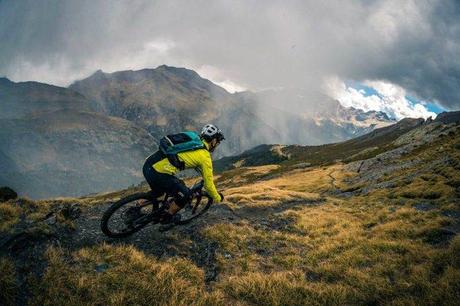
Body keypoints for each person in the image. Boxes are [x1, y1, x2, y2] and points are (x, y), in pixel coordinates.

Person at [142, 124, 224, 224]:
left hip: (148, 165)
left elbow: (167, 140)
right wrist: (218, 198)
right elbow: (208, 185)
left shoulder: (191, 135)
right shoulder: (205, 159)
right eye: (218, 142)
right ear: (214, 141)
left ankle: (136, 207)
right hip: (159, 173)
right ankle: (166, 217)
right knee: (186, 195)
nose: (217, 145)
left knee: (160, 192)